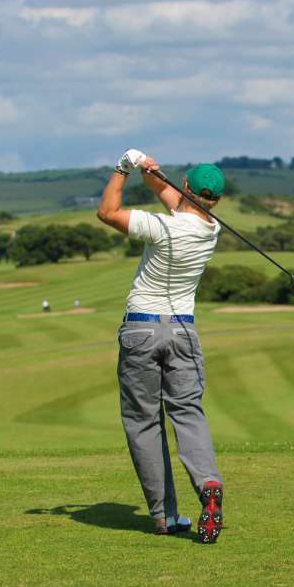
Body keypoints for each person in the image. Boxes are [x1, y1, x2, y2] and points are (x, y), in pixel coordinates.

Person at [96, 149, 225, 544]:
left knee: (144, 422)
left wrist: (123, 168)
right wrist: (151, 172)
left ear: (185, 187)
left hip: (141, 329)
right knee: (188, 412)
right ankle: (207, 484)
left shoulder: (160, 228)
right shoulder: (212, 227)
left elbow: (107, 212)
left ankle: (165, 516)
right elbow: (170, 196)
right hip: (183, 330)